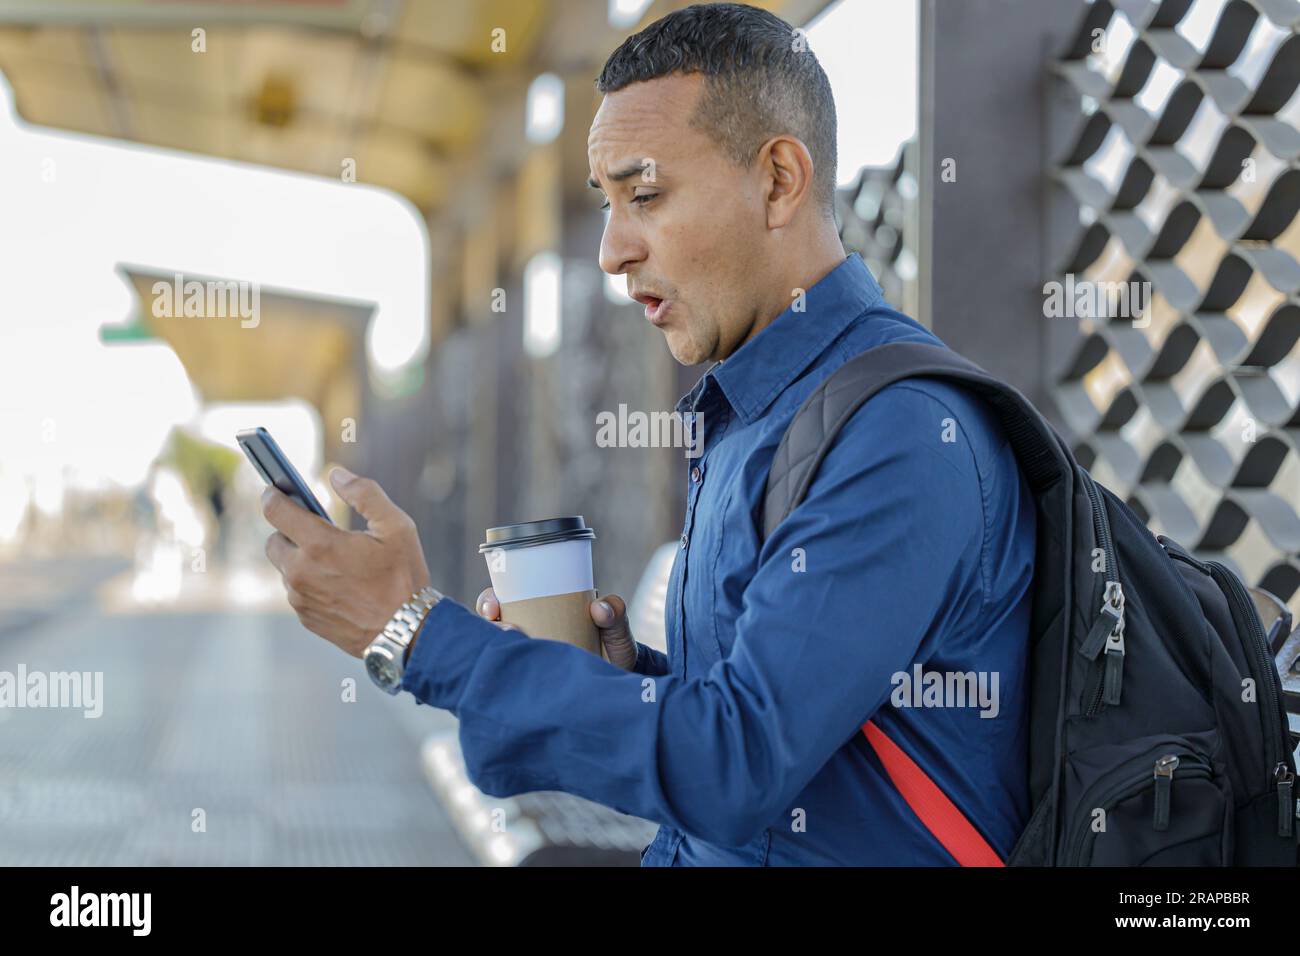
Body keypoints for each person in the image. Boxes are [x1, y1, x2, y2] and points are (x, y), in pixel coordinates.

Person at [260, 2, 1036, 866]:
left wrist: (413, 631)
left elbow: (735, 766)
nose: (611, 250)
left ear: (780, 180)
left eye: (647, 195)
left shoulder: (899, 434)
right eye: (606, 202)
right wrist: (625, 679)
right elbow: (789, 720)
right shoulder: (760, 411)